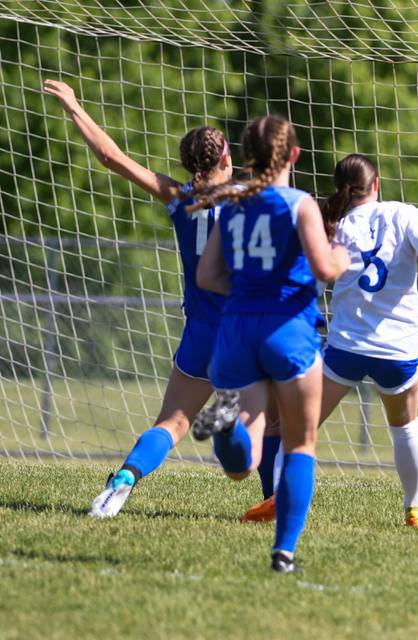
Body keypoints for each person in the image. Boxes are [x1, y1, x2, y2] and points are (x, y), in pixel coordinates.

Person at [240, 153, 418, 528]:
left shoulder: (335, 225)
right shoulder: (403, 213)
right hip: (398, 350)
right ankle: (415, 509)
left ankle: (279, 499)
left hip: (345, 349)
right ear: (376, 184)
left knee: (299, 427)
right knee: (405, 427)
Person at [44, 79, 236, 518]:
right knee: (275, 424)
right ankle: (272, 497)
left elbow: (112, 157)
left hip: (201, 334)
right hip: (246, 332)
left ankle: (123, 481)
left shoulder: (180, 198)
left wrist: (76, 107)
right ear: (227, 157)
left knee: (171, 423)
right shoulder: (253, 203)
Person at [191, 114, 350, 573]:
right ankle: (284, 553)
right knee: (301, 444)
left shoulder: (233, 203)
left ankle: (227, 429)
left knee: (243, 463)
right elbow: (323, 268)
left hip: (238, 329)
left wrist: (246, 293)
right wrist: (340, 256)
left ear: (244, 156)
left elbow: (207, 276)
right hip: (288, 328)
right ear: (294, 155)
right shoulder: (300, 203)